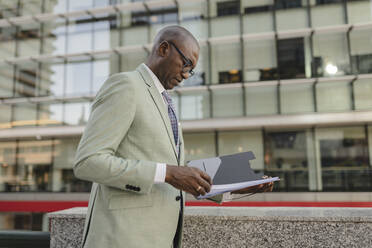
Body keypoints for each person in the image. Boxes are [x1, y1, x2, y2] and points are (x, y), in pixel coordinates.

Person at [73, 25, 273, 248]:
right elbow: (88, 162)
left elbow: (173, 172)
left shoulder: (166, 101)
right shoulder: (126, 85)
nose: (186, 75)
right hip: (123, 239)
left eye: (192, 70)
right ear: (164, 49)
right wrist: (168, 173)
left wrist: (234, 187)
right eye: (186, 64)